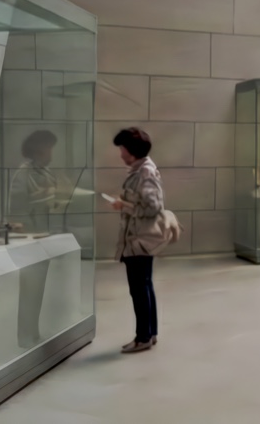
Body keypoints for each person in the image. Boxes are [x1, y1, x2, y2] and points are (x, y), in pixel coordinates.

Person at [110, 127, 164, 354]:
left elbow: (154, 208)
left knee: (139, 289)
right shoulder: (138, 170)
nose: (120, 153)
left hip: (139, 240)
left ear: (130, 150)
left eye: (122, 148)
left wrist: (125, 206)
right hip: (137, 239)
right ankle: (149, 334)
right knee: (144, 286)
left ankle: (143, 337)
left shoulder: (145, 172)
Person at [10, 130, 59, 234]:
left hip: (47, 230)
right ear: (39, 151)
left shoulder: (47, 172)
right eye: (49, 148)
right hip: (31, 231)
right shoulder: (23, 174)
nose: (51, 152)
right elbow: (18, 207)